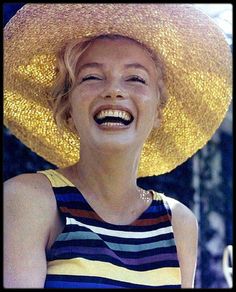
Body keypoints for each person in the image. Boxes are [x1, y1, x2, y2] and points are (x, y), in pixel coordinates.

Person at [3, 4, 232, 289]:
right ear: (68, 107)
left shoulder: (179, 222)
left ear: (159, 110)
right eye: (91, 77)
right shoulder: (27, 200)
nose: (114, 90)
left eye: (135, 78)